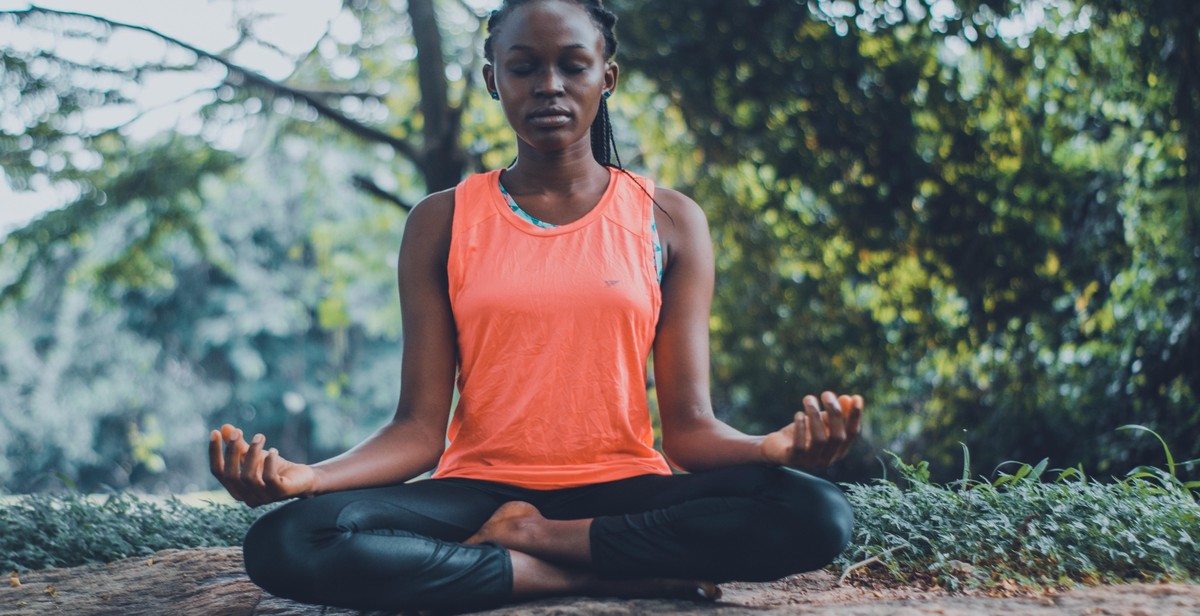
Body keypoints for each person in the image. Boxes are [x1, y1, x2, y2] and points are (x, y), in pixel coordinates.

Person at [208, 0, 864, 611]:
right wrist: (308, 479)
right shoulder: (441, 221)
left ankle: (536, 541)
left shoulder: (669, 220)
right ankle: (594, 572)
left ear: (606, 76)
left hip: (622, 488)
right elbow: (415, 431)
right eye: (524, 67)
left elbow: (690, 430)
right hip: (476, 492)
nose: (549, 84)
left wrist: (770, 449)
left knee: (816, 513)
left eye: (572, 65)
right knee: (287, 541)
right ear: (495, 80)